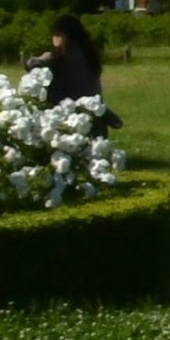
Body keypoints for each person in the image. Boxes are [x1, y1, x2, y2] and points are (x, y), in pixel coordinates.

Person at [34, 13, 111, 204]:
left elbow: (32, 65)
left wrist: (42, 58)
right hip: (94, 116)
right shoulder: (89, 53)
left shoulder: (63, 56)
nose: (55, 39)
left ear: (67, 36)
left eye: (58, 34)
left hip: (71, 118)